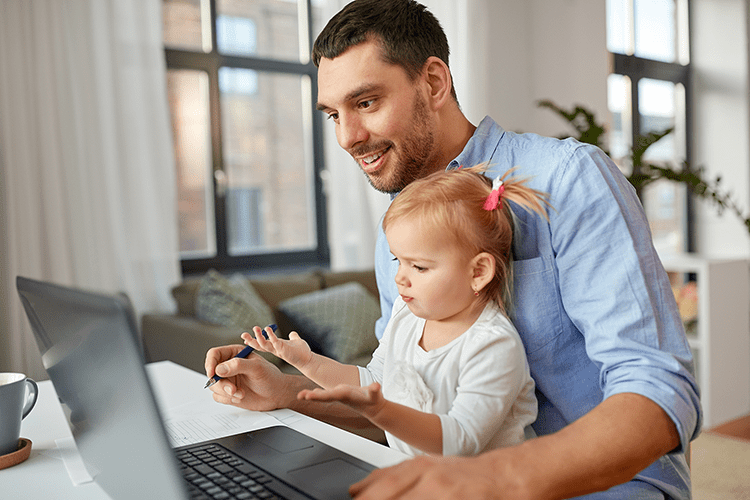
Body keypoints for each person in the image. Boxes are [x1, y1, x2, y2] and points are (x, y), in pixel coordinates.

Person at [205, 0, 701, 498]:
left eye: (367, 103)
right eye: (334, 114)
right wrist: (289, 392)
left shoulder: (567, 178)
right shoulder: (398, 234)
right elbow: (404, 396)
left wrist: (495, 478)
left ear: (435, 83)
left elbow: (661, 390)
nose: (348, 137)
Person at [242, 166, 546, 457]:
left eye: (419, 266)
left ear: (478, 272)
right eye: (397, 261)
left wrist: (380, 411)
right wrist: (306, 361)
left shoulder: (492, 345)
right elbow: (372, 381)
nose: (400, 277)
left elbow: (459, 440)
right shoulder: (407, 314)